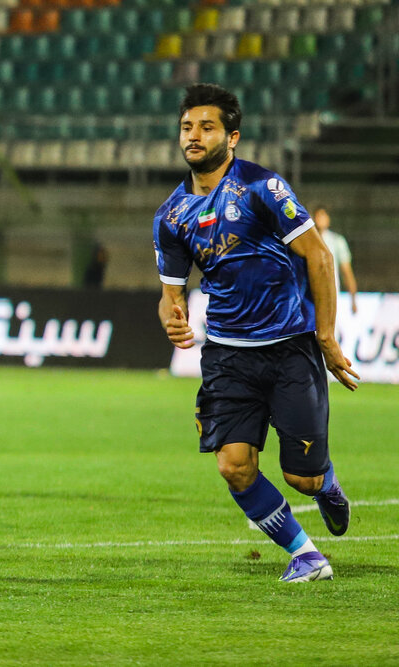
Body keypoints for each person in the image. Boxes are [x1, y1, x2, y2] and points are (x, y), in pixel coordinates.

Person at [152, 84, 360, 583]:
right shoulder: (170, 215)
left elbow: (319, 255)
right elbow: (170, 292)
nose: (194, 136)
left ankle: (325, 483)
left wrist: (326, 339)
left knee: (301, 477)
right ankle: (306, 555)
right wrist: (171, 315)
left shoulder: (262, 188)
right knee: (234, 466)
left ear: (233, 136)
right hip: (226, 357)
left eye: (206, 127)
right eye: (187, 127)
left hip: (289, 348)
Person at [313, 206, 359, 315]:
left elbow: (346, 272)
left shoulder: (337, 241)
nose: (319, 219)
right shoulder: (306, 241)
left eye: (322, 215)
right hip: (309, 297)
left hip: (331, 296)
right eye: (317, 216)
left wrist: (353, 299)